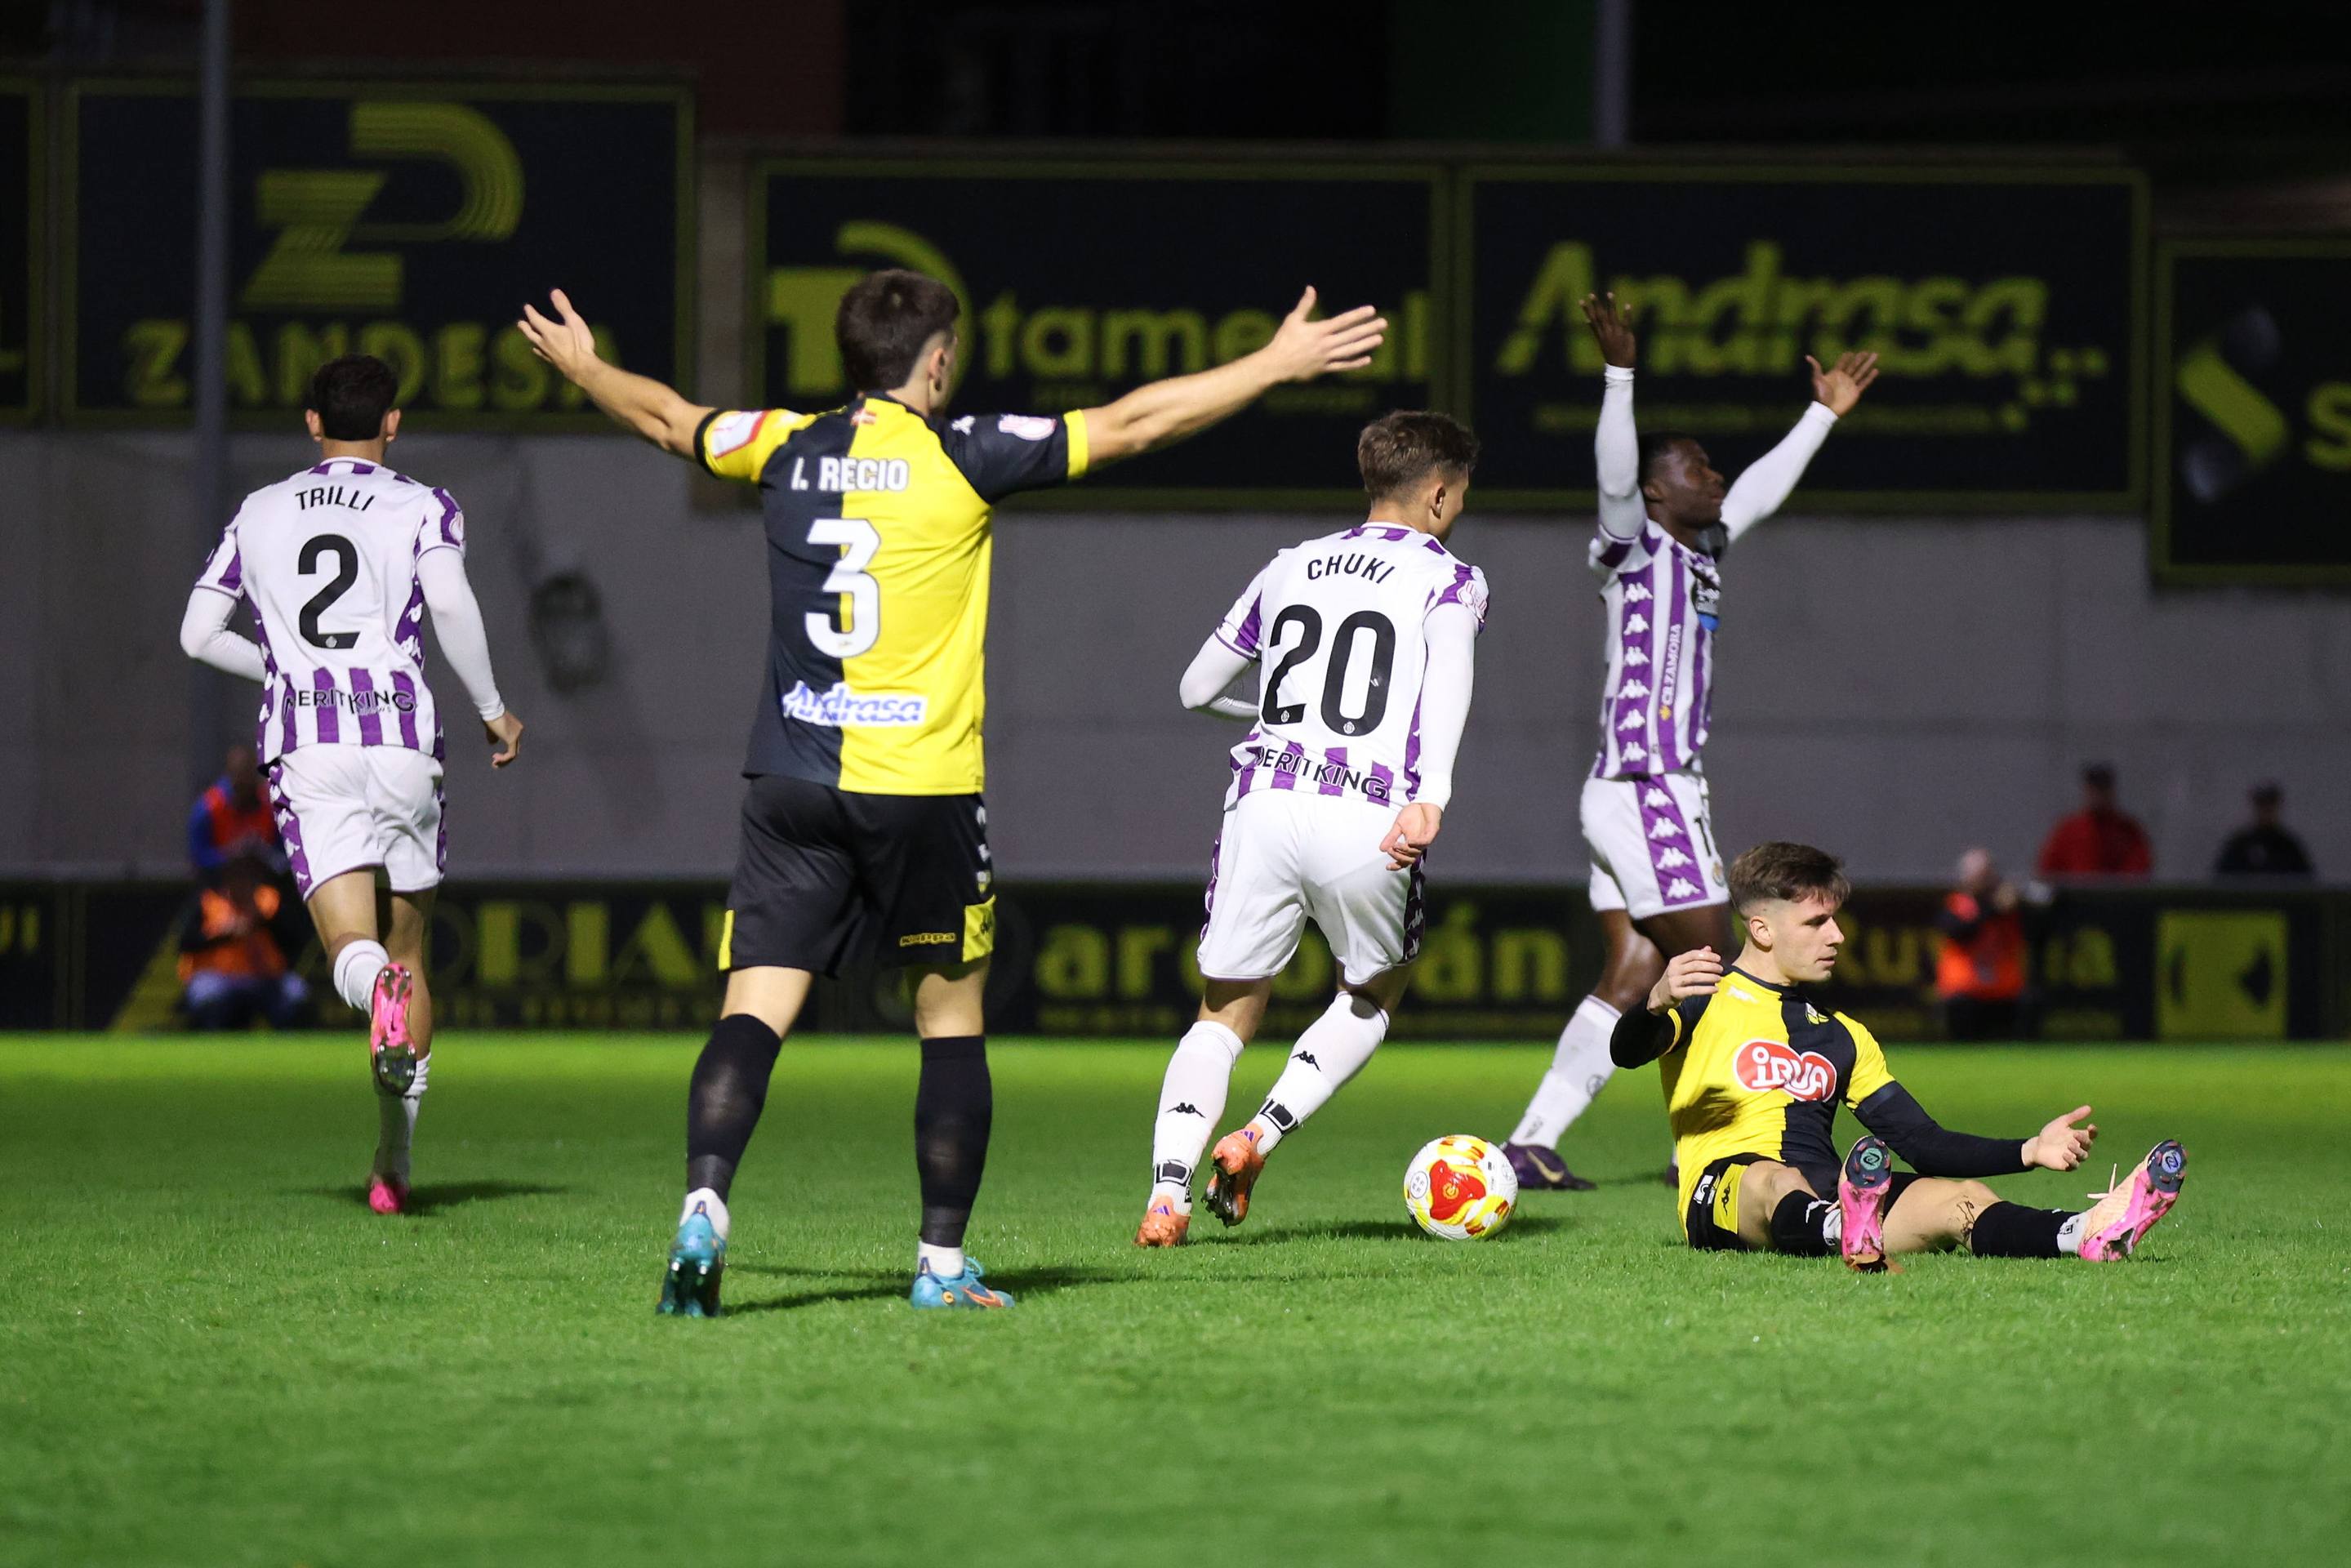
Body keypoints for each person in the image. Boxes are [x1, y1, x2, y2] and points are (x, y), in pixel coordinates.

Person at [518, 272, 1387, 1315]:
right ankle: (937, 1266)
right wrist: (1275, 363)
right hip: (920, 791)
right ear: (935, 361)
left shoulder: (784, 446)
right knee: (950, 1025)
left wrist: (581, 367)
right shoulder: (963, 453)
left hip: (790, 779)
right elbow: (1134, 424)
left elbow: (665, 418)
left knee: (753, 1010)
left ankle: (704, 1207)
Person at [1499, 292, 1880, 1192]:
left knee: (1637, 965)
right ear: (1656, 490)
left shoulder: (1702, 553)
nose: (1714, 476)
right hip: (1646, 786)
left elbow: (1754, 492)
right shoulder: (1632, 547)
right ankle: (1716, 1140)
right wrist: (1619, 374)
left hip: (1644, 790)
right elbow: (1612, 477)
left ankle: (1530, 1140)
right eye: (1695, 467)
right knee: (1725, 957)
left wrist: (1818, 417)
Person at [179, 353, 525, 1215]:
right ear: (393, 423)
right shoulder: (423, 505)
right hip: (404, 741)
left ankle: (374, 995)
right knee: (409, 951)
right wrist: (492, 708)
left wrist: (282, 670)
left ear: (309, 422)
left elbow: (195, 633)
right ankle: (394, 1163)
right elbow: (448, 606)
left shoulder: (259, 512)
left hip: (309, 745)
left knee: (352, 952)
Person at [1136, 412, 1485, 1245]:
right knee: (1370, 993)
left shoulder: (1288, 566)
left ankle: (1167, 1192)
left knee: (1222, 1011)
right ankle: (1259, 1134)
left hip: (1264, 799)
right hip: (1367, 811)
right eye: (1461, 493)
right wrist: (1431, 792)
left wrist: (1284, 724)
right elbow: (1447, 682)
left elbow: (1195, 687)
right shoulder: (1448, 578)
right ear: (1437, 492)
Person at [1610, 840, 2187, 1268]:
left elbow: (1918, 1141)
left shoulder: (1843, 1035)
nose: (1836, 936)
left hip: (1828, 1196)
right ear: (1761, 928)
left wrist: (2029, 1149)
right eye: (1818, 921)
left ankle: (2086, 1231)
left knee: (1961, 1202)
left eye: (1835, 919)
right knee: (1771, 1180)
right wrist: (1653, 1001)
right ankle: (1844, 1227)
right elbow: (1626, 1050)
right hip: (1723, 1197)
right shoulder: (1701, 998)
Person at [179, 854, 310, 1031]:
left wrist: (260, 921)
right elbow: (186, 943)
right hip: (220, 979)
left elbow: (295, 940)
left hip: (265, 979)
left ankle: (289, 1045)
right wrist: (225, 934)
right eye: (237, 875)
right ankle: (212, 1041)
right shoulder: (209, 901)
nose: (243, 880)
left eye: (248, 875)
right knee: (207, 994)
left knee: (295, 992)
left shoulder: (269, 902)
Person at [1937, 848, 2028, 1040]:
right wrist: (1994, 907)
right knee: (1959, 1011)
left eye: (1987, 875)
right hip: (1966, 993)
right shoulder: (1958, 904)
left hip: (2004, 993)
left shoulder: (2011, 907)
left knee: (2030, 1002)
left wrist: (2019, 901)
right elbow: (1960, 931)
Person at [2037, 763, 2152, 877]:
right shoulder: (2068, 830)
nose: (2098, 796)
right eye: (2093, 790)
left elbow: (2139, 870)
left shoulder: (2127, 831)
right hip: (2076, 894)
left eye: (2103, 790)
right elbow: (2047, 869)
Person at [2215, 783, 2313, 877]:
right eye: (2262, 804)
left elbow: (2306, 882)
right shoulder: (2240, 845)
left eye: (2270, 804)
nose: (2266, 810)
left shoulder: (2289, 847)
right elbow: (2222, 880)